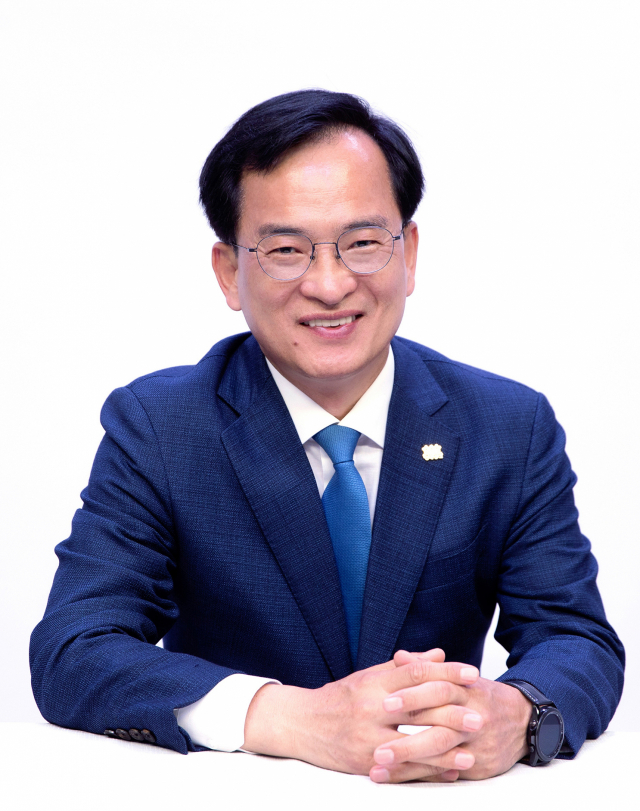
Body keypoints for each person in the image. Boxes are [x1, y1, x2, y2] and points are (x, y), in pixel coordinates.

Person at [30, 89, 624, 783]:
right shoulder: (162, 427)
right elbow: (74, 648)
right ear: (229, 272)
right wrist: (289, 717)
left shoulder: (507, 427)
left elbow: (576, 637)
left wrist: (518, 714)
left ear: (409, 254)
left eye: (363, 244)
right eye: (286, 250)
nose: (331, 284)